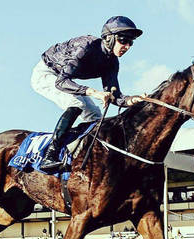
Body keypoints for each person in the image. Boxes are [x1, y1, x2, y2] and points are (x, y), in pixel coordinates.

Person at [30, 16, 144, 173]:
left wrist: (132, 100)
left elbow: (115, 96)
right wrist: (95, 93)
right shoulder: (86, 46)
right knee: (77, 104)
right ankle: (50, 156)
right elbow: (61, 82)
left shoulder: (112, 62)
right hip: (47, 74)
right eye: (124, 40)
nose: (127, 46)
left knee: (95, 116)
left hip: (66, 80)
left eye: (131, 43)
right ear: (109, 38)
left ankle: (86, 157)